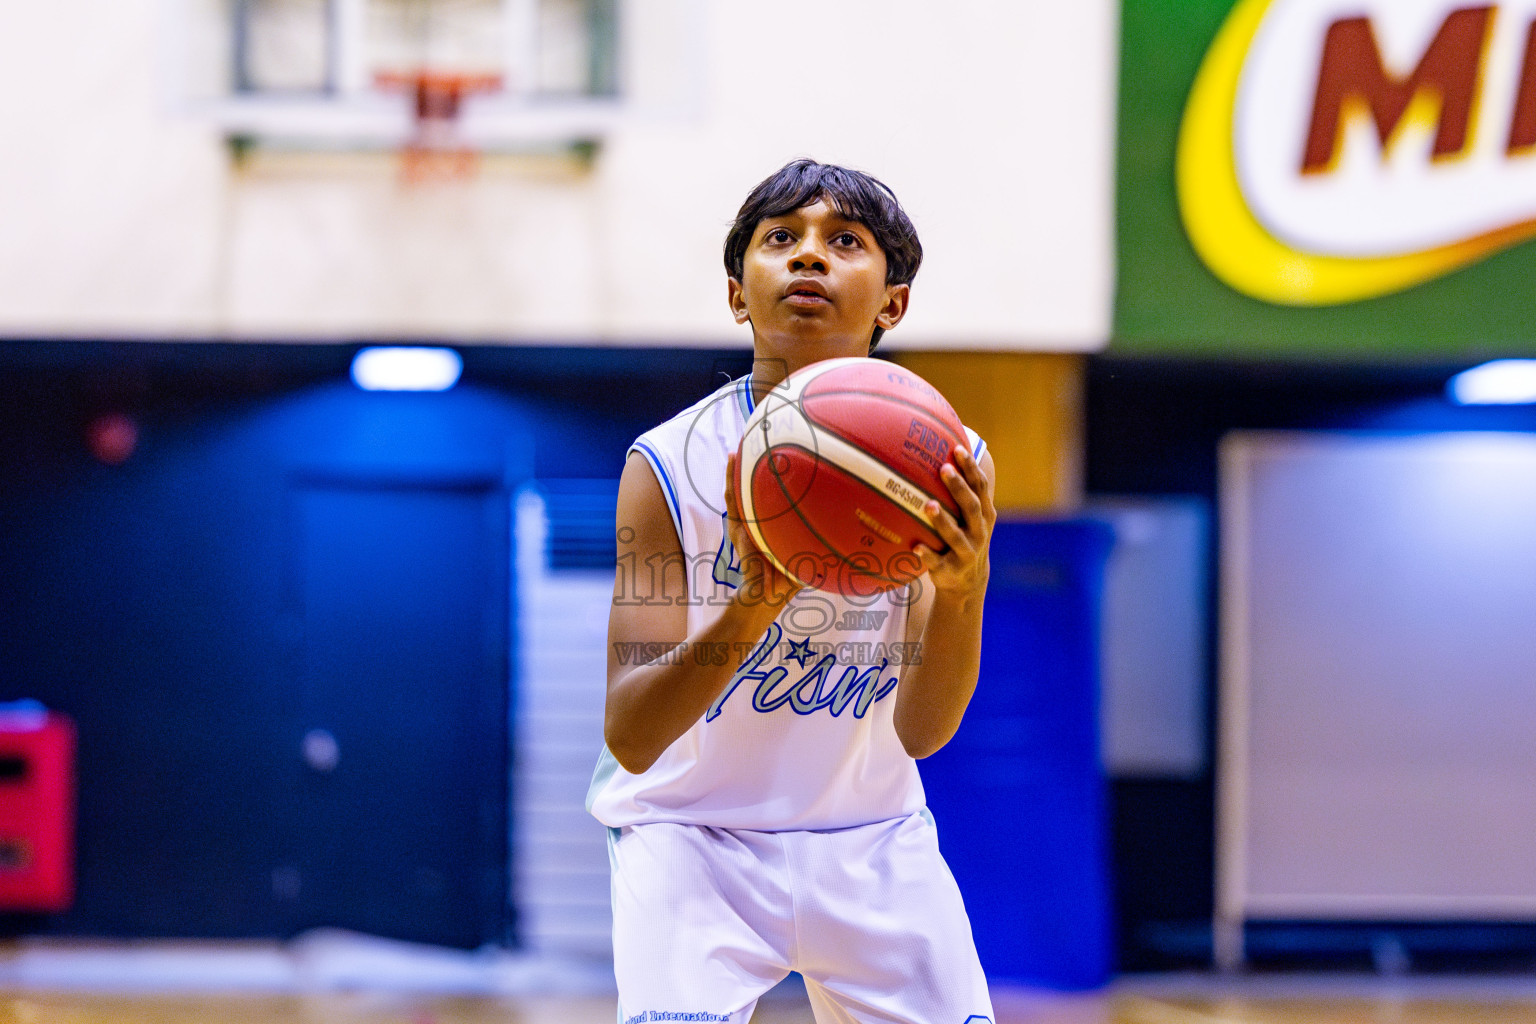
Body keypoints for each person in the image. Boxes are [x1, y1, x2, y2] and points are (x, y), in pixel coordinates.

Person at [588, 158, 998, 1023]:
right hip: (690, 838)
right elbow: (631, 735)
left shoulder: (948, 466)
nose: (809, 256)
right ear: (740, 293)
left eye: (844, 241)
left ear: (894, 302)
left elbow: (923, 733)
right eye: (783, 240)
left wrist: (963, 587)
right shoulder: (665, 465)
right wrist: (757, 600)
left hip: (872, 835)